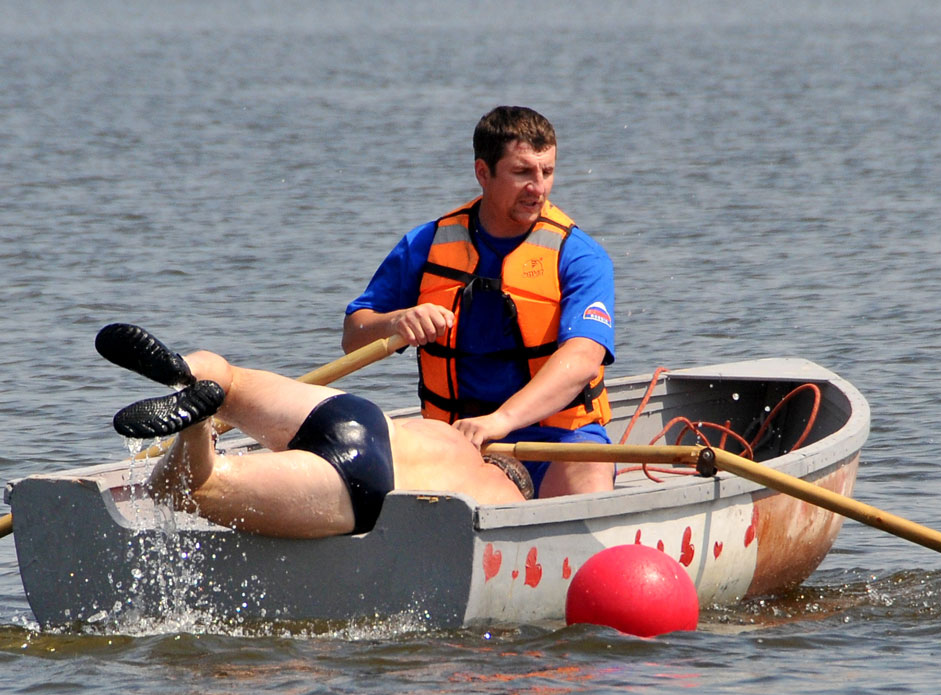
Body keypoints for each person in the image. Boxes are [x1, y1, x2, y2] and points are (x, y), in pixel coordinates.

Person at [342, 106, 616, 499]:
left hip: (561, 440)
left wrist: (500, 420)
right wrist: (397, 321)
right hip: (459, 440)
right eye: (522, 172)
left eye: (547, 172)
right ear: (483, 173)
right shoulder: (425, 245)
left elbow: (584, 357)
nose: (538, 188)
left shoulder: (580, 256)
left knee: (588, 473)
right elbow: (354, 336)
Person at [96, 323, 530, 539]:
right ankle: (196, 429)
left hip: (355, 414)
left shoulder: (450, 434)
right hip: (366, 480)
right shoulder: (508, 494)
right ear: (506, 474)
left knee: (229, 379)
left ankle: (188, 374)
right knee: (181, 489)